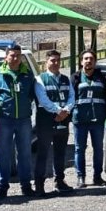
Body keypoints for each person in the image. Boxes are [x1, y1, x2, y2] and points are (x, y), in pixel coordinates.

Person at [0, 44, 37, 199]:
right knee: (3, 154)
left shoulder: (27, 74)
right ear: (6, 57)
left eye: (18, 55)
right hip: (4, 119)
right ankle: (2, 187)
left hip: (23, 119)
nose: (15, 58)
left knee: (25, 153)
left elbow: (32, 95)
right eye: (12, 55)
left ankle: (26, 185)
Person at [33, 50, 75, 195]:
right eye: (52, 60)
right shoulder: (40, 79)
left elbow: (72, 97)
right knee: (43, 153)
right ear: (46, 62)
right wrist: (58, 111)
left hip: (63, 121)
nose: (55, 63)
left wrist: (66, 111)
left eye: (58, 60)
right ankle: (39, 185)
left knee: (60, 153)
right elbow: (43, 100)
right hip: (46, 121)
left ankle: (60, 181)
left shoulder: (66, 79)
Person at [72, 50, 106, 188]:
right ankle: (80, 177)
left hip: (98, 120)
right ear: (81, 61)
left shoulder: (101, 78)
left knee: (98, 149)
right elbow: (70, 98)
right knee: (79, 149)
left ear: (95, 62)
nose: (88, 61)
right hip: (80, 120)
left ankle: (97, 177)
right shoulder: (76, 77)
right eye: (86, 58)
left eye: (91, 59)